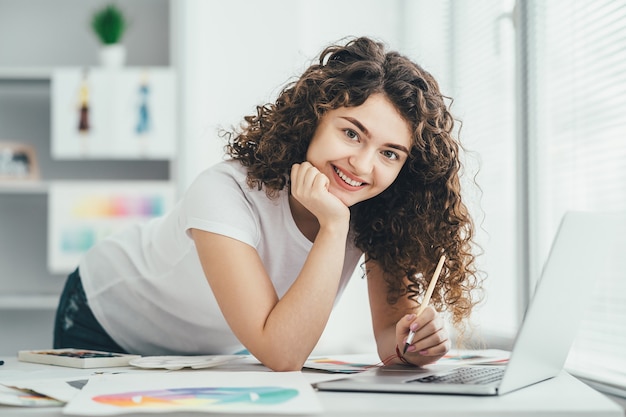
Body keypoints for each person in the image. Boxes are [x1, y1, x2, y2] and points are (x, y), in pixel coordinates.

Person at [54, 36, 482, 372]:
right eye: (351, 133)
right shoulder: (226, 191)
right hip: (105, 318)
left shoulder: (381, 211)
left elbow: (392, 338)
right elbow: (282, 354)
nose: (362, 164)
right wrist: (333, 227)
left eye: (390, 153)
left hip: (206, 355)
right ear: (313, 120)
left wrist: (417, 344)